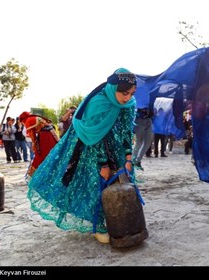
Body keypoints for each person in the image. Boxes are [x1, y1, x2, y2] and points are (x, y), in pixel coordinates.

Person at [26, 68, 137, 244]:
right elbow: (94, 137)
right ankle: (98, 226)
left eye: (132, 93)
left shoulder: (128, 105)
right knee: (94, 183)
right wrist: (103, 164)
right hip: (88, 146)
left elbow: (126, 132)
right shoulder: (97, 103)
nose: (128, 98)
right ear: (112, 88)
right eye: (124, 93)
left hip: (114, 145)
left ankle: (120, 220)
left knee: (123, 180)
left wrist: (129, 158)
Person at [19, 112, 59, 176]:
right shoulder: (32, 118)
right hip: (51, 134)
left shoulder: (27, 121)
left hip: (45, 136)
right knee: (53, 152)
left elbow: (32, 135)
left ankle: (37, 174)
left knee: (42, 155)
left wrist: (35, 147)